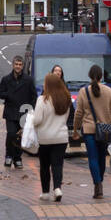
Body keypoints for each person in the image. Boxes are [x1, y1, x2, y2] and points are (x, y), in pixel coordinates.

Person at [72, 64, 111, 200]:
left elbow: (78, 113)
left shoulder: (83, 92)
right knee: (102, 158)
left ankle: (97, 184)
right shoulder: (109, 91)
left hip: (89, 129)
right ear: (101, 76)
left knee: (92, 158)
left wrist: (75, 128)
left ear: (89, 76)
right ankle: (100, 182)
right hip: (105, 130)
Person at [31, 71, 71, 202]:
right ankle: (58, 188)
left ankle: (45, 192)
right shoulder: (66, 99)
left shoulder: (42, 100)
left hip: (45, 138)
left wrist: (31, 121)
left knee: (44, 166)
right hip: (61, 137)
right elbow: (65, 118)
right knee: (58, 164)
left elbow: (37, 120)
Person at [0, 55, 36, 168]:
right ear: (13, 65)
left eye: (20, 65)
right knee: (11, 134)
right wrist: (8, 95)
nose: (18, 66)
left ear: (23, 66)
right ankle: (9, 156)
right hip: (10, 111)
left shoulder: (28, 80)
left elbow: (34, 96)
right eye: (16, 64)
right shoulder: (6, 79)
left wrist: (31, 109)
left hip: (24, 112)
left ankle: (17, 158)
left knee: (20, 137)